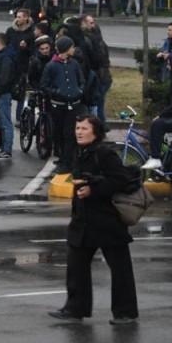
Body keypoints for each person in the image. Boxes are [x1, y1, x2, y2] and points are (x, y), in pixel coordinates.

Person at [49, 115, 139, 325]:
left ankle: (125, 312)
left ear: (96, 132)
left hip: (107, 221)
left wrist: (94, 189)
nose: (79, 132)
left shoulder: (104, 153)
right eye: (77, 127)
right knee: (76, 265)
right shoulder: (79, 152)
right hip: (84, 221)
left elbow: (121, 179)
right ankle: (75, 309)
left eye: (84, 128)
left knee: (120, 269)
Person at [41, 36, 86, 174]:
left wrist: (79, 91)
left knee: (69, 134)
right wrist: (55, 93)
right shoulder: (51, 66)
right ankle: (62, 158)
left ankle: (68, 163)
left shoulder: (74, 64)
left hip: (73, 104)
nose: (74, 49)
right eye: (72, 47)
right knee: (58, 133)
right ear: (66, 49)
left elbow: (81, 80)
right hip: (58, 105)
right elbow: (44, 85)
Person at [0, 33, 17, 159]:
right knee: (1, 122)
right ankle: (4, 149)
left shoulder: (5, 57)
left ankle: (7, 149)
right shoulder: (2, 56)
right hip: (0, 93)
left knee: (5, 123)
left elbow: (4, 76)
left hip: (2, 94)